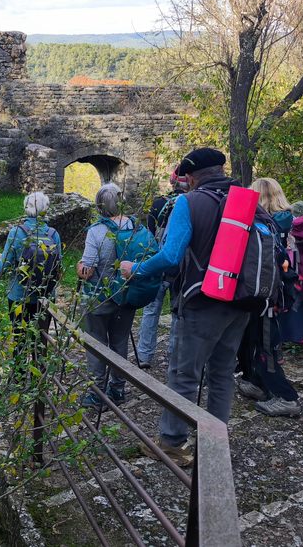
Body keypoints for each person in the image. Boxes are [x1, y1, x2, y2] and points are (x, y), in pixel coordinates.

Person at [119, 147, 250, 467]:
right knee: (222, 374)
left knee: (184, 373)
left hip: (201, 302)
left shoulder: (188, 203)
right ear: (221, 170)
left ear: (190, 177)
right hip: (241, 302)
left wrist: (135, 269)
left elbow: (170, 256)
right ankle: (214, 442)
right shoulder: (246, 200)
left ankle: (173, 443)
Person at [234, 178, 301, 417]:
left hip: (265, 295)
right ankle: (255, 381)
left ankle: (286, 397)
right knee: (255, 339)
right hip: (281, 293)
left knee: (266, 345)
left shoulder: (264, 224)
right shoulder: (289, 221)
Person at [77, 183, 140, 409]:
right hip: (127, 294)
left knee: (96, 343)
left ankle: (97, 394)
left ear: (99, 205)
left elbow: (88, 270)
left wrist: (78, 266)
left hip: (99, 297)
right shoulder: (134, 227)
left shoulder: (96, 231)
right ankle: (117, 389)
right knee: (120, 341)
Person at [0, 192, 62, 366]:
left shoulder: (17, 233)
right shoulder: (53, 234)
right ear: (45, 209)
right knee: (40, 340)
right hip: (45, 296)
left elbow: (2, 266)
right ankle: (39, 374)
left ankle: (19, 375)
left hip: (19, 296)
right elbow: (58, 266)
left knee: (19, 338)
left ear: (26, 208)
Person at [135, 166, 189, 369]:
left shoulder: (159, 203)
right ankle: (173, 356)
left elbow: (149, 235)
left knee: (151, 310)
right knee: (177, 313)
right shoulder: (191, 205)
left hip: (156, 264)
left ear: (172, 182)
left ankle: (144, 355)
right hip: (180, 267)